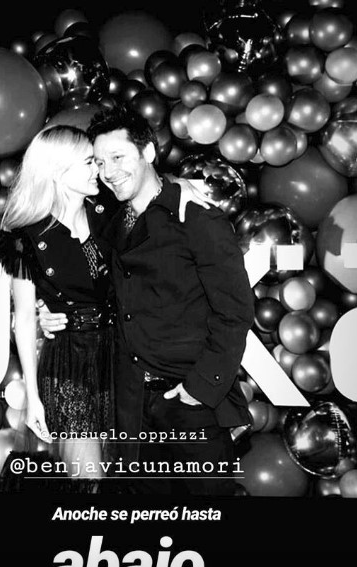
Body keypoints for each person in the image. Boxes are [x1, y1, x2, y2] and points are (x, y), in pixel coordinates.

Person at [41, 107, 255, 495]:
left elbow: (235, 311)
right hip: (131, 406)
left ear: (149, 153)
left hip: (191, 403)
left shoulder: (197, 218)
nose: (108, 171)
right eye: (99, 162)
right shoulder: (108, 219)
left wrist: (199, 388)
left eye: (118, 157)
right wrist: (49, 312)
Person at [0, 122, 208, 484]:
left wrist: (180, 185)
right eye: (90, 162)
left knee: (130, 477)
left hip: (122, 357)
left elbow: (151, 189)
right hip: (69, 366)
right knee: (89, 480)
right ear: (58, 171)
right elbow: (25, 320)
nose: (100, 170)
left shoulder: (110, 211)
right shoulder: (24, 240)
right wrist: (33, 396)